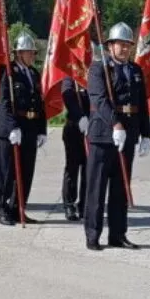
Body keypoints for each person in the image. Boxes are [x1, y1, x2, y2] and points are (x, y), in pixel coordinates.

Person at [84, 22, 150, 251]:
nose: (124, 49)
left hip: (128, 134)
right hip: (104, 135)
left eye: (127, 45)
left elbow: (141, 103)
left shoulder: (135, 70)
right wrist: (116, 124)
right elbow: (99, 99)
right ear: (110, 46)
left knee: (121, 188)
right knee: (97, 188)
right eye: (119, 44)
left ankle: (118, 234)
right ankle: (93, 235)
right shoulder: (99, 68)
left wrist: (146, 133)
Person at [0, 33, 47, 226]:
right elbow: (3, 103)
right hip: (12, 129)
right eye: (29, 52)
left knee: (25, 172)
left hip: (30, 127)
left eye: (33, 52)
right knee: (6, 172)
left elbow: (40, 103)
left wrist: (42, 129)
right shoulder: (8, 73)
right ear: (19, 53)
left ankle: (17, 208)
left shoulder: (33, 74)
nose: (32, 55)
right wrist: (12, 127)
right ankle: (0, 208)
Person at [61, 75, 89, 221]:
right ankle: (69, 204)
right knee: (72, 168)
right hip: (74, 129)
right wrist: (80, 116)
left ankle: (85, 204)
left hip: (92, 129)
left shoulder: (97, 74)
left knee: (89, 169)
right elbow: (67, 96)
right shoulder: (71, 76)